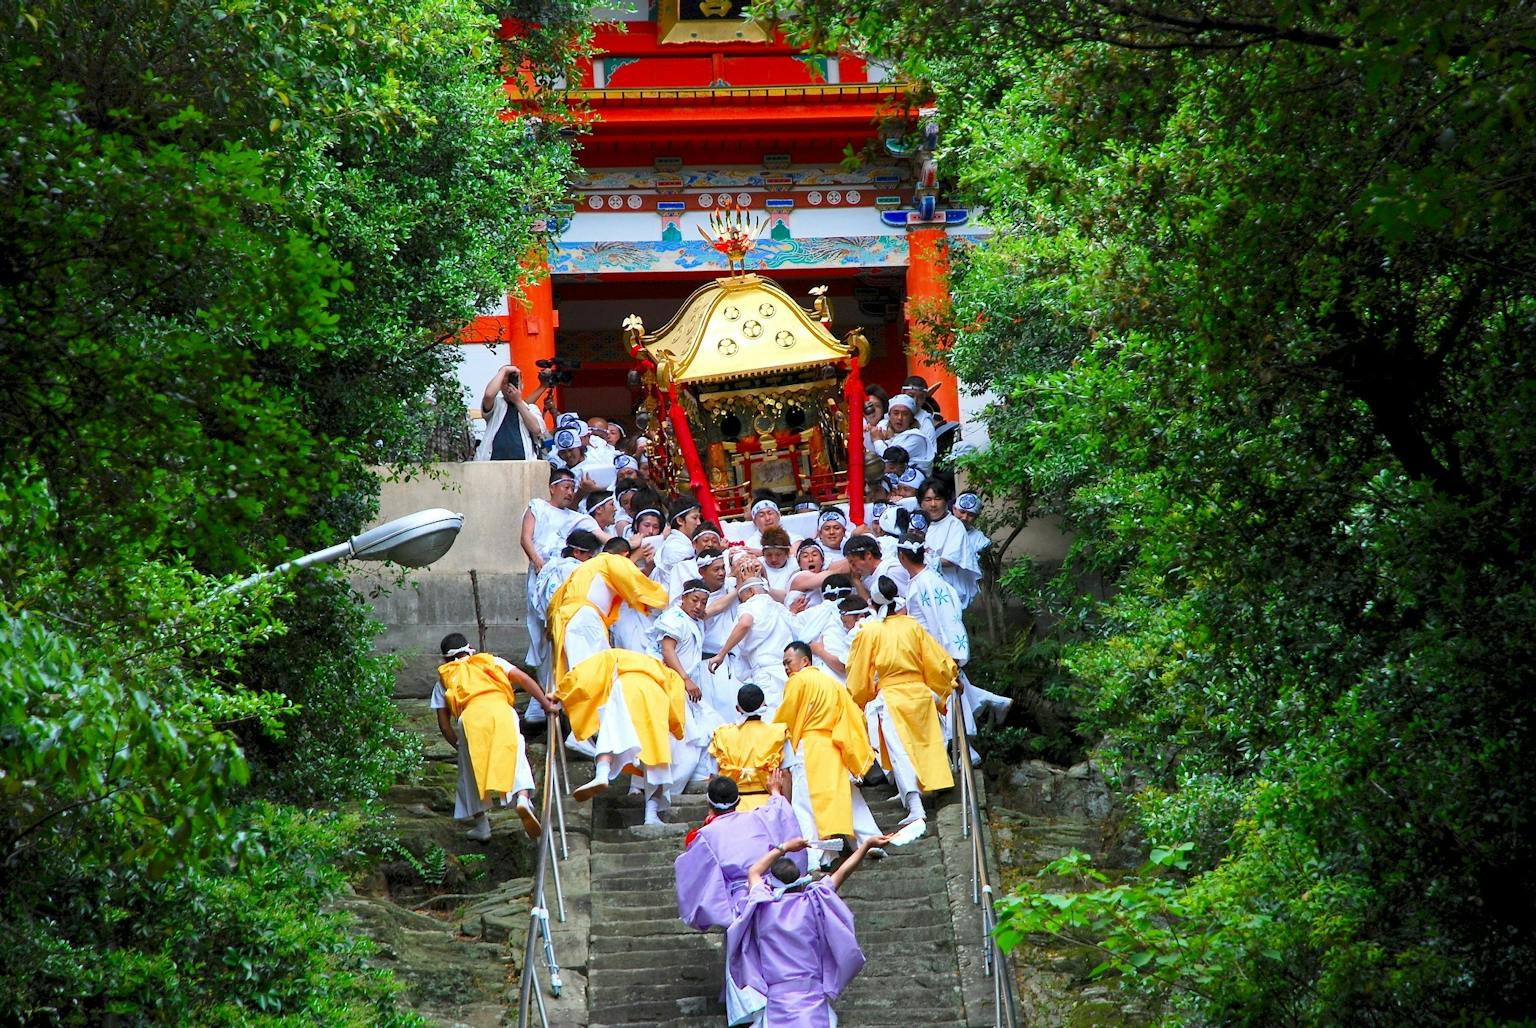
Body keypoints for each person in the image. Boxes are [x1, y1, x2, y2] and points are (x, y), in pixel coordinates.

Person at [675, 771, 805, 1027]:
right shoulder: (758, 818)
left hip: (738, 900)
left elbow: (696, 875)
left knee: (742, 951)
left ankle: (753, 1007)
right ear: (738, 800)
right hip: (769, 893)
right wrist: (776, 791)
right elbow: (780, 814)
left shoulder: (706, 836)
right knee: (772, 951)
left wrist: (717, 909)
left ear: (710, 804)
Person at [726, 834, 886, 1028]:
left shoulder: (761, 906)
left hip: (778, 1001)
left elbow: (754, 872)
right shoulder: (815, 901)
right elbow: (842, 872)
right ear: (800, 880)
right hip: (813, 998)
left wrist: (785, 847)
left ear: (772, 882)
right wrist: (866, 845)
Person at [846, 576, 958, 825]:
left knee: (900, 752)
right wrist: (945, 687)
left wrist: (863, 696)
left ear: (873, 604)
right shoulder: (912, 626)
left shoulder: (871, 631)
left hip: (893, 697)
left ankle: (916, 805)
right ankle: (929, 789)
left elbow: (857, 671)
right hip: (920, 693)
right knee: (926, 743)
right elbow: (937, 662)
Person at [434, 633, 558, 841]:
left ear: (445, 659)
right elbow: (525, 680)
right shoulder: (491, 661)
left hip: (470, 718)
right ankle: (523, 798)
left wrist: (459, 745)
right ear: (470, 648)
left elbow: (444, 726)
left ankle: (482, 826)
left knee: (469, 771)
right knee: (515, 752)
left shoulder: (445, 677)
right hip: (501, 710)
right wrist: (547, 705)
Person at [897, 533, 1012, 733]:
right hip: (927, 647)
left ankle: (964, 743)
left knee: (947, 697)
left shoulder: (928, 582)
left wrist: (954, 653)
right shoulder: (922, 580)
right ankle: (989, 700)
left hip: (936, 647)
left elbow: (945, 618)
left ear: (902, 557)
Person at [558, 649, 687, 823]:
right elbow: (677, 702)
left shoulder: (618, 655)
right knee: (657, 757)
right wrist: (676, 728)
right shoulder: (667, 672)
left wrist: (560, 694)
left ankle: (602, 773)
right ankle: (651, 814)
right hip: (656, 695)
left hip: (624, 687)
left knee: (611, 731)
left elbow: (586, 674)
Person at [775, 642, 882, 849]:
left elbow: (784, 719)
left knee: (805, 802)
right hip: (834, 746)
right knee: (846, 795)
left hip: (809, 747)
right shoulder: (833, 683)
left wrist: (772, 742)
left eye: (788, 662)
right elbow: (854, 715)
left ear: (804, 660)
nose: (786, 668)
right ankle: (870, 840)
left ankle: (818, 855)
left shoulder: (797, 681)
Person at [650, 579, 725, 799]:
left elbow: (717, 608)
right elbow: (667, 648)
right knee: (685, 747)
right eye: (695, 600)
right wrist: (685, 679)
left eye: (703, 602)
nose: (699, 606)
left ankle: (699, 776)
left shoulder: (693, 619)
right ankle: (664, 795)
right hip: (672, 685)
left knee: (714, 725)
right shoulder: (674, 618)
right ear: (683, 598)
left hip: (684, 688)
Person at [546, 548, 669, 680]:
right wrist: (665, 596)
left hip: (565, 619)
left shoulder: (585, 567)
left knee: (571, 672)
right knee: (594, 672)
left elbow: (554, 602)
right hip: (585, 619)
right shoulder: (614, 560)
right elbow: (636, 585)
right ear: (625, 555)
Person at [523, 528, 600, 724]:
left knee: (553, 675)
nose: (591, 560)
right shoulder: (573, 569)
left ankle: (546, 716)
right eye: (589, 555)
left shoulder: (550, 567)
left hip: (553, 626)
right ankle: (575, 723)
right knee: (573, 674)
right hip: (571, 627)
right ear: (577, 553)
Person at [709, 577, 795, 712]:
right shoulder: (779, 607)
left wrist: (721, 654)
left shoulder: (749, 605)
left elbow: (745, 623)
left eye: (741, 598)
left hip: (766, 673)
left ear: (750, 591)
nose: (741, 602)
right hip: (788, 671)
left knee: (770, 716)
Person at [709, 685, 789, 813]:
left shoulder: (722, 735)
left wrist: (713, 812)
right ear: (764, 706)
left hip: (732, 808)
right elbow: (785, 773)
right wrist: (786, 807)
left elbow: (714, 776)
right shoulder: (778, 733)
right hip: (769, 807)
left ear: (737, 708)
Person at [917, 478, 981, 605]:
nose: (933, 504)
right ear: (921, 503)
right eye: (928, 499)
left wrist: (921, 558)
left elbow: (951, 560)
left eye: (938, 499)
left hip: (947, 591)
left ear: (946, 501)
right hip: (922, 589)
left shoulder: (954, 525)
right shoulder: (918, 523)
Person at [475, 364, 548, 462]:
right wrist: (504, 370)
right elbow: (488, 395)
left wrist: (517, 401)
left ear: (522, 385)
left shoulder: (530, 408)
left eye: (514, 383)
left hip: (523, 467)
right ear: (500, 387)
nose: (510, 387)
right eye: (505, 383)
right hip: (492, 465)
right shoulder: (497, 404)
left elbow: (537, 429)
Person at [871, 394, 934, 473]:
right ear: (889, 415)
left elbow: (891, 459)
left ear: (911, 418)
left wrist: (877, 440)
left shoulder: (916, 437)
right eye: (896, 413)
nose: (900, 418)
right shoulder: (883, 426)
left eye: (905, 414)